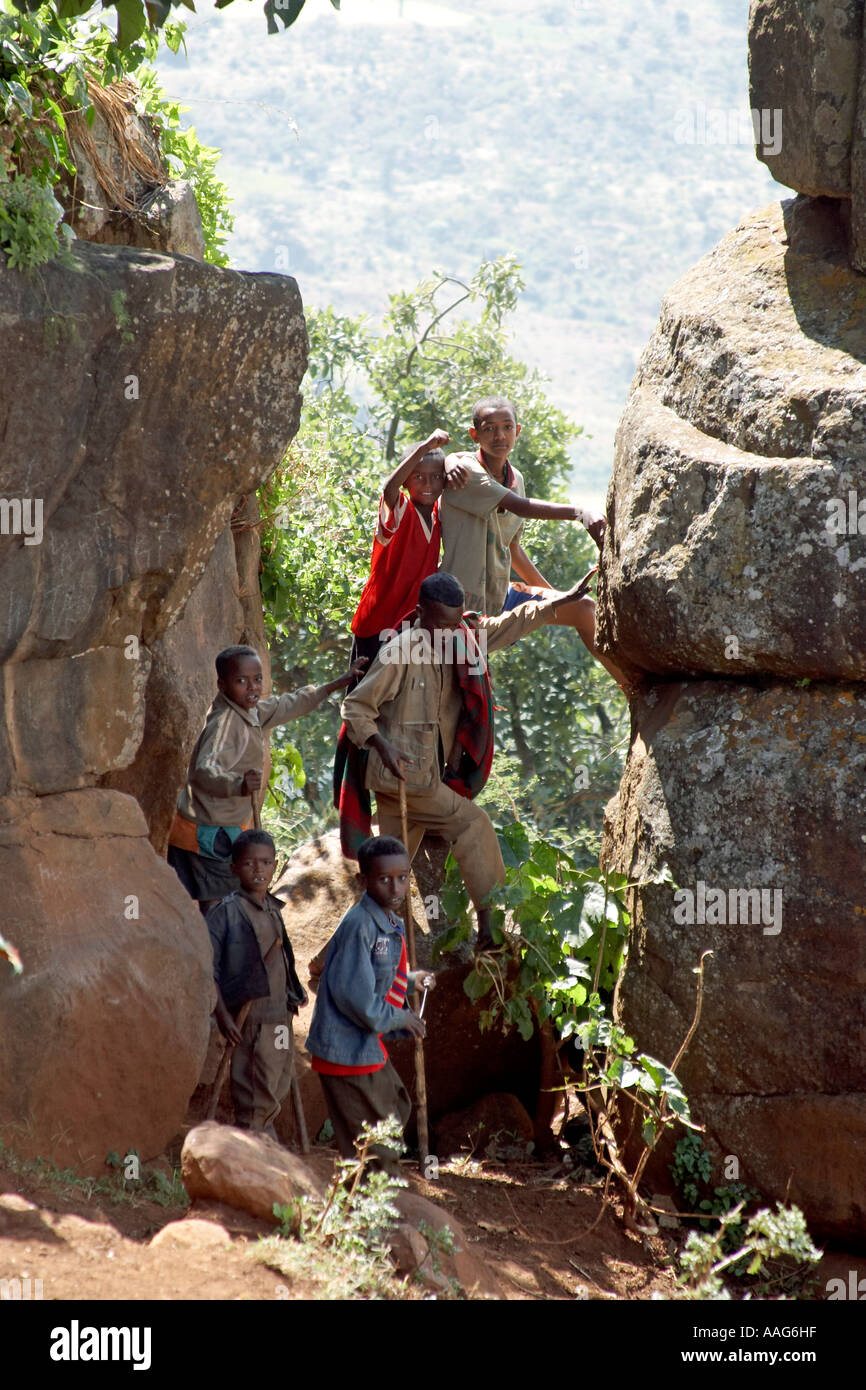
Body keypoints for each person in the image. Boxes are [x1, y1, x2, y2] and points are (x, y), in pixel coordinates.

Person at [339, 571, 592, 950]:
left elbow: (513, 622)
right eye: (442, 624)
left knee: (386, 870)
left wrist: (561, 600)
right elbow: (356, 707)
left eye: (455, 623)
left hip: (417, 780)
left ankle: (332, 953)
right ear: (423, 613)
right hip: (404, 778)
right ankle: (490, 925)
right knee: (473, 824)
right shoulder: (400, 651)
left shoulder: (464, 637)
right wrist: (383, 746)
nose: (450, 632)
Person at [440, 396, 634, 692]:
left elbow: (513, 549)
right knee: (466, 697)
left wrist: (557, 598)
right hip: (462, 609)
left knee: (583, 608)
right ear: (474, 434)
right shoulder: (466, 471)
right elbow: (520, 507)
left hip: (499, 597)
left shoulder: (515, 477)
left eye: (506, 427)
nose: (499, 435)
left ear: (518, 431)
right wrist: (580, 513)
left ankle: (633, 690)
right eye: (490, 428)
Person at [168, 644, 365, 911]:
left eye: (257, 679)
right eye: (241, 681)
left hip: (226, 826)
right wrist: (236, 784)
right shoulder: (225, 722)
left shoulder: (253, 712)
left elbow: (289, 704)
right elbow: (205, 769)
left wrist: (335, 684)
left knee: (227, 897)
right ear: (222, 684)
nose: (252, 687)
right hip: (205, 830)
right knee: (216, 904)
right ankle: (215, 950)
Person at [305, 835, 433, 1170]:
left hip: (366, 1047)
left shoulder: (390, 923)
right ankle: (371, 1207)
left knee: (398, 1108)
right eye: (384, 879)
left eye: (403, 878)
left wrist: (409, 980)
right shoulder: (360, 926)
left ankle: (368, 1192)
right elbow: (357, 998)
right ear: (363, 881)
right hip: (347, 1052)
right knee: (377, 1146)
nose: (395, 887)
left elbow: (377, 976)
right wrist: (401, 1018)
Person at [207, 829, 306, 1140]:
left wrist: (294, 995)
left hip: (279, 1019)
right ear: (234, 868)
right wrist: (223, 1015)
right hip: (252, 1020)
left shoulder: (273, 909)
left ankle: (263, 1137)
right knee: (255, 1090)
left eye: (265, 863)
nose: (259, 870)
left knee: (276, 1084)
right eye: (250, 863)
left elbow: (284, 960)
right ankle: (253, 1148)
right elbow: (208, 970)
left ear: (275, 866)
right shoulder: (226, 912)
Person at [349, 427, 451, 672]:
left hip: (410, 626)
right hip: (378, 622)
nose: (428, 483)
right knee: (363, 698)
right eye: (418, 477)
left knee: (397, 701)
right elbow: (389, 489)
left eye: (436, 477)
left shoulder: (439, 517)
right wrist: (425, 447)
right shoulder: (401, 510)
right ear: (406, 480)